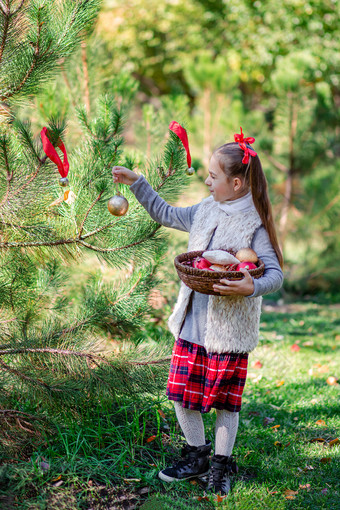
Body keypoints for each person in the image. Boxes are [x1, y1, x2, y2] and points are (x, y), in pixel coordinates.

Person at [112, 128, 284, 497]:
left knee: (224, 401)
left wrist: (249, 286)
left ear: (237, 182)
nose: (206, 181)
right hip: (192, 323)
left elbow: (274, 274)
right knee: (180, 393)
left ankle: (220, 465)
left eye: (213, 176)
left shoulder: (254, 223)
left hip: (228, 332)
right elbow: (165, 212)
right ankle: (196, 455)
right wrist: (137, 183)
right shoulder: (204, 210)